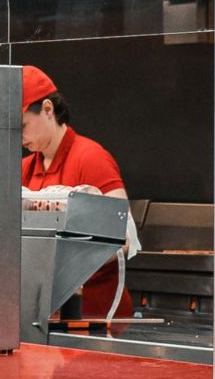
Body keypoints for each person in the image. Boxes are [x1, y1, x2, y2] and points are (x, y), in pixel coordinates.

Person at [19, 65, 132, 320]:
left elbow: (125, 238)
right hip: (42, 313)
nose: (20, 136)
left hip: (95, 316)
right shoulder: (25, 168)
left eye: (23, 125)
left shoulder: (90, 158)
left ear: (48, 109)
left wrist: (64, 265)